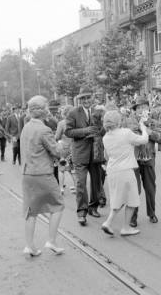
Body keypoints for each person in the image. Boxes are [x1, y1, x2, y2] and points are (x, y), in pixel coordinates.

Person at [21, 95, 65, 257]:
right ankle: (51, 241)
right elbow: (56, 151)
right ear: (42, 110)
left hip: (28, 174)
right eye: (46, 106)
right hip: (43, 173)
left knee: (30, 211)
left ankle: (30, 245)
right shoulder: (44, 129)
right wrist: (60, 145)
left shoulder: (26, 127)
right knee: (58, 205)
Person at [101, 110, 149, 236]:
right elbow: (144, 140)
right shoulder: (126, 133)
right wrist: (143, 128)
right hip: (126, 170)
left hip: (112, 170)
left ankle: (108, 222)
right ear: (119, 121)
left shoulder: (105, 137)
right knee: (132, 199)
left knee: (117, 198)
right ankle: (126, 227)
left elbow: (106, 156)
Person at [65, 87, 104, 226]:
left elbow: (103, 131)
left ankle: (93, 207)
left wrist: (99, 130)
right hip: (80, 153)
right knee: (81, 183)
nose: (86, 100)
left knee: (96, 183)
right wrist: (85, 131)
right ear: (80, 100)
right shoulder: (73, 113)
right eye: (83, 98)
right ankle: (82, 212)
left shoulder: (98, 112)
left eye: (88, 97)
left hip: (95, 153)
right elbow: (68, 132)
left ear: (92, 98)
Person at [125, 96, 161, 227]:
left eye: (144, 107)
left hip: (149, 159)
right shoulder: (128, 122)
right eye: (139, 108)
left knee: (150, 188)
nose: (142, 110)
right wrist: (138, 131)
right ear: (135, 110)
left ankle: (152, 213)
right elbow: (125, 138)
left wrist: (149, 131)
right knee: (134, 190)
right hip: (134, 159)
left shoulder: (153, 122)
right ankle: (133, 217)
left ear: (148, 108)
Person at [55, 105, 76, 195]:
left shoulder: (62, 123)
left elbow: (57, 137)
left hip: (64, 148)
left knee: (61, 169)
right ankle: (76, 187)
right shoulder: (76, 122)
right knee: (73, 169)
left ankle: (61, 188)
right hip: (74, 148)